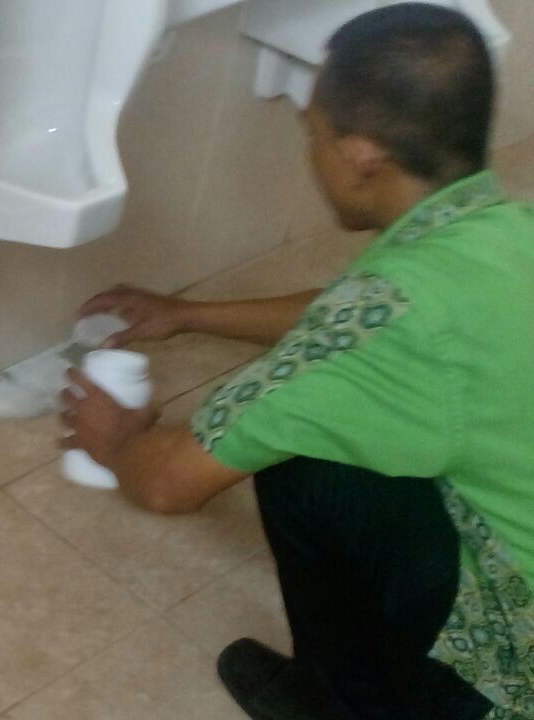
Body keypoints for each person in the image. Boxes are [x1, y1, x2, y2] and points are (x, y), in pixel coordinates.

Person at [60, 4, 534, 719]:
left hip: (512, 683)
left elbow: (168, 483)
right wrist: (189, 314)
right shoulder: (503, 233)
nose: (311, 153)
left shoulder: (384, 320)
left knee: (302, 465)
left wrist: (121, 442)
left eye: (314, 133)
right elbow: (356, 313)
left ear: (361, 154)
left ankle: (340, 707)